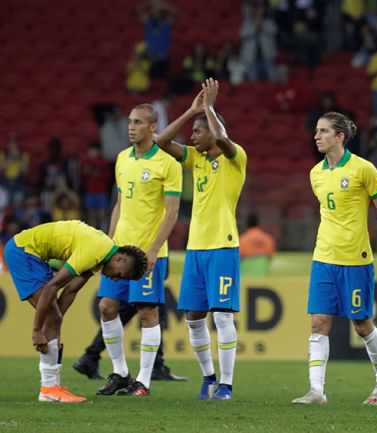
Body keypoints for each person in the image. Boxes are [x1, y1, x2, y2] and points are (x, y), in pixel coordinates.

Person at [292, 112, 377, 406]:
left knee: (361, 324)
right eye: (316, 130)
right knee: (319, 323)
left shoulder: (364, 169)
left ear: (340, 136)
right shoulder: (316, 173)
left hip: (356, 258)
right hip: (323, 256)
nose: (316, 135)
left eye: (323, 131)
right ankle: (316, 391)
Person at [156, 78, 247, 401]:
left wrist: (209, 108)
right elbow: (161, 143)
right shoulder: (195, 159)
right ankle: (208, 377)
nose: (192, 136)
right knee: (193, 317)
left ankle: (226, 384)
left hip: (222, 246)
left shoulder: (235, 158)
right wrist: (192, 110)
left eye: (197, 130)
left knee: (222, 315)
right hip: (196, 249)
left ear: (212, 130)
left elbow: (222, 137)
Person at [4, 220, 147, 402]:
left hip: (32, 255)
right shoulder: (95, 250)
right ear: (120, 259)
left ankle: (51, 388)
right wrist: (38, 331)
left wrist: (53, 333)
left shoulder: (102, 255)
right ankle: (49, 389)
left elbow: (71, 290)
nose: (116, 279)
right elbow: (52, 287)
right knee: (52, 316)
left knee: (53, 318)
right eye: (120, 274)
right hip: (23, 252)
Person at [94, 103, 182, 397]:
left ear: (153, 127)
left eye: (138, 122)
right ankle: (120, 372)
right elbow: (119, 203)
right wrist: (108, 243)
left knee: (147, 313)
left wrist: (155, 249)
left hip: (147, 252)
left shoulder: (168, 163)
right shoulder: (122, 159)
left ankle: (143, 381)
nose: (131, 127)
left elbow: (171, 212)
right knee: (106, 307)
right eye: (130, 121)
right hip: (119, 251)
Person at [239, 212, 276, 277]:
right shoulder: (267, 238)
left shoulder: (243, 239)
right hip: (263, 276)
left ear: (247, 224)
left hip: (246, 278)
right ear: (258, 223)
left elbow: (239, 257)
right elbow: (270, 256)